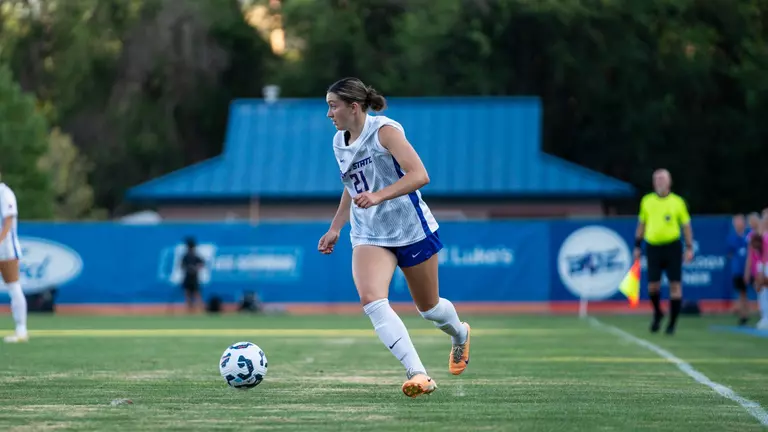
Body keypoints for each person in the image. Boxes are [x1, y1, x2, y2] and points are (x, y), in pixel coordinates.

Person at [317, 77, 471, 398]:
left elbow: (420, 175)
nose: (329, 114)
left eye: (333, 106)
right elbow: (351, 187)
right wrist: (336, 227)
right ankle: (418, 373)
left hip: (411, 229)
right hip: (369, 233)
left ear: (354, 107)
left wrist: (379, 196)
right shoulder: (338, 142)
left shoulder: (385, 131)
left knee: (429, 309)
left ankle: (459, 333)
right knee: (372, 300)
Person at [633, 169, 694, 335]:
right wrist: (637, 246)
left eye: (662, 179)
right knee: (653, 286)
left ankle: (672, 323)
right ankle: (658, 313)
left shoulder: (677, 202)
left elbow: (686, 225)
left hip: (672, 247)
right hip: (653, 247)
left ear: (669, 182)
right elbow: (642, 224)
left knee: (675, 285)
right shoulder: (647, 201)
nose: (659, 182)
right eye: (656, 179)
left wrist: (689, 247)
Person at [0, 179, 27, 343]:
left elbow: (8, 222)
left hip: (7, 249)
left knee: (13, 286)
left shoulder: (5, 193)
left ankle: (21, 329)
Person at [727, 214, 750, 325]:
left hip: (750, 268)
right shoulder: (732, 238)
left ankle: (746, 313)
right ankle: (743, 314)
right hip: (738, 270)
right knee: (741, 292)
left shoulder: (749, 236)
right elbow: (730, 253)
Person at [180, 237, 204, 313]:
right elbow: (182, 266)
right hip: (188, 277)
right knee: (187, 293)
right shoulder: (186, 256)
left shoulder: (195, 256)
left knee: (196, 293)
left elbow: (202, 264)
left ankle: (199, 308)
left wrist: (195, 268)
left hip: (194, 277)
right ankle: (189, 309)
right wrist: (189, 268)